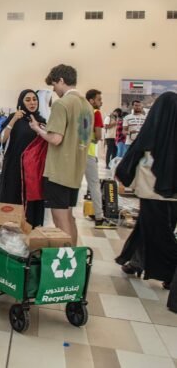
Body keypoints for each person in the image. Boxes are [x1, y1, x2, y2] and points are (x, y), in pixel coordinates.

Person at [114, 92, 177, 310]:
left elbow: (137, 150)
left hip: (152, 191)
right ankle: (135, 262)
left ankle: (171, 271)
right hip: (172, 193)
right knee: (152, 227)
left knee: (157, 231)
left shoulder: (154, 130)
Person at [29, 64, 93, 246]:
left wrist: (37, 129)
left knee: (60, 219)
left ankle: (67, 263)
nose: (54, 90)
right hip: (76, 170)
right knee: (69, 217)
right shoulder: (87, 105)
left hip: (58, 172)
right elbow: (77, 136)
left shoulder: (62, 103)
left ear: (61, 81)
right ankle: (75, 257)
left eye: (54, 85)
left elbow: (56, 139)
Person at [0, 90, 46, 228]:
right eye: (28, 100)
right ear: (21, 102)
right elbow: (2, 139)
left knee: (31, 200)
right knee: (12, 196)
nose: (32, 102)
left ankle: (29, 229)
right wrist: (13, 119)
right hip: (14, 166)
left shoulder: (41, 121)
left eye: (34, 99)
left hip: (33, 170)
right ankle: (8, 230)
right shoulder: (15, 118)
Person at [85, 89, 115, 229]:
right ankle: (99, 217)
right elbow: (98, 135)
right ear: (91, 100)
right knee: (94, 185)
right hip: (89, 152)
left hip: (76, 152)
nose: (101, 102)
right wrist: (96, 139)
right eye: (98, 99)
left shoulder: (82, 112)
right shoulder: (96, 113)